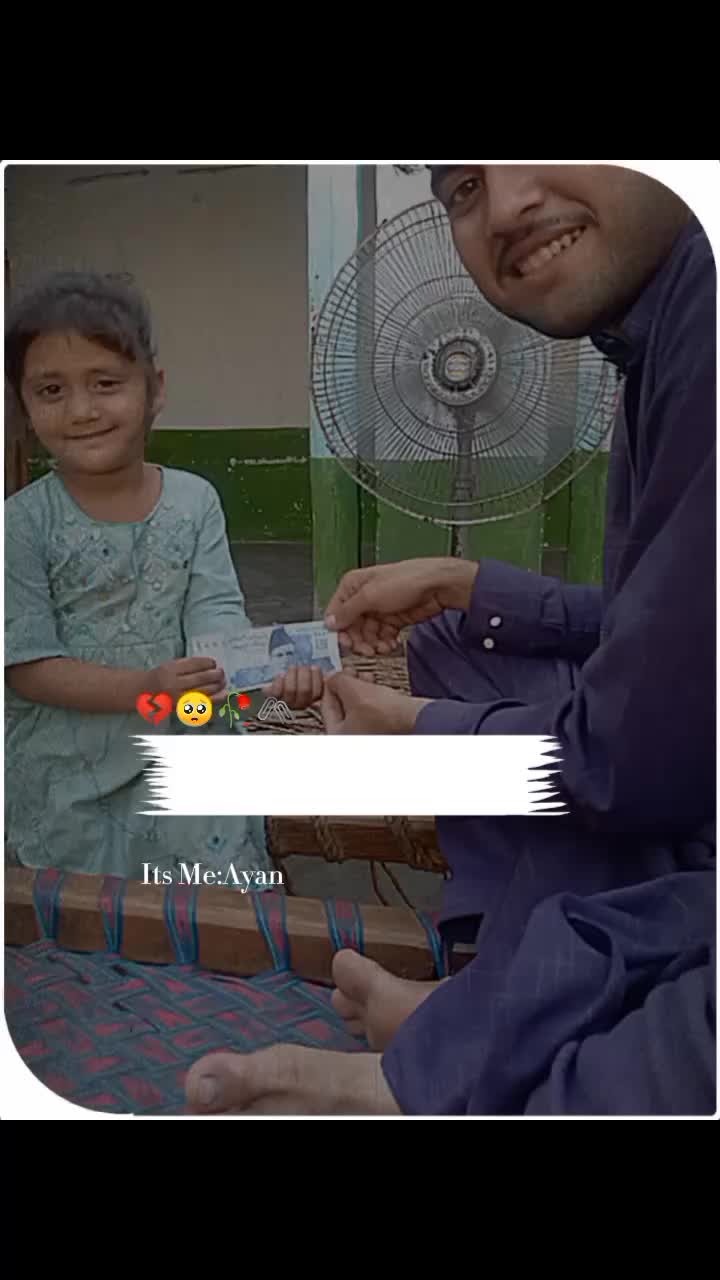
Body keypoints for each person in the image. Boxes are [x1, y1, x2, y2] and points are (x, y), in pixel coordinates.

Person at [185, 164, 715, 1116]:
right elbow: (664, 631)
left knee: (578, 795)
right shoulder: (656, 338)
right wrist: (463, 584)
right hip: (674, 766)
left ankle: (471, 1048)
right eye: (462, 185)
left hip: (677, 801)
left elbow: (629, 763)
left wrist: (413, 729)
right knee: (458, 643)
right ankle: (486, 981)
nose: (506, 206)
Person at [4, 271, 319, 882]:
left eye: (106, 383)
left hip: (186, 731)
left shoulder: (194, 502)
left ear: (155, 390)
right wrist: (145, 686)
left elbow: (217, 622)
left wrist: (269, 677)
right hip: (68, 763)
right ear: (23, 405)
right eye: (51, 390)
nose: (82, 410)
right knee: (84, 920)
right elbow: (27, 666)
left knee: (213, 895)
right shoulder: (20, 524)